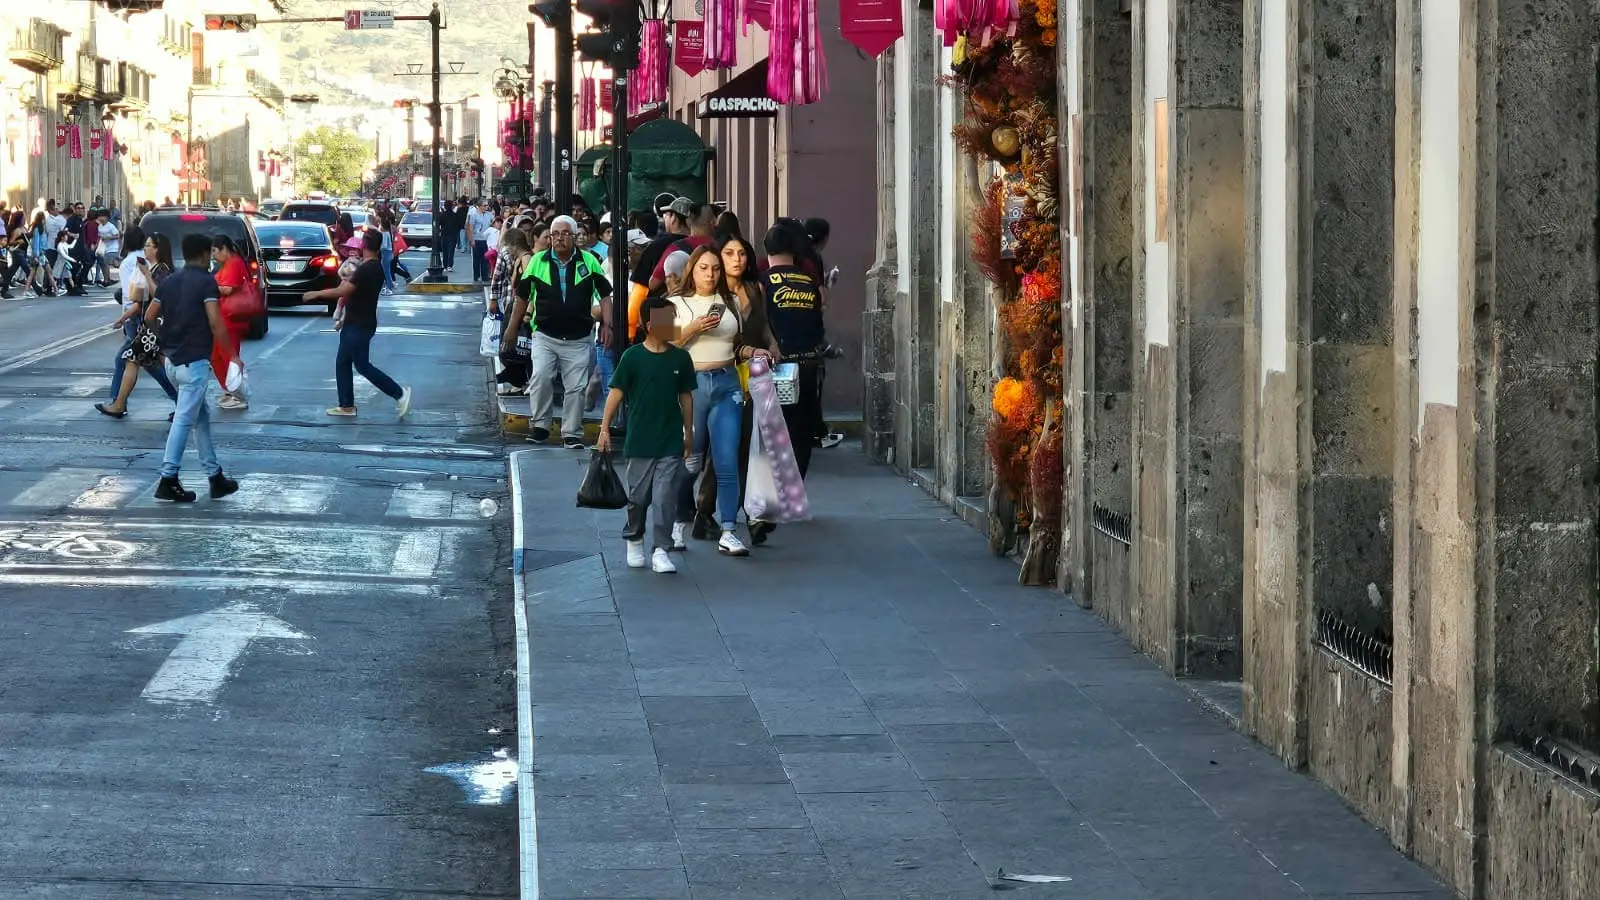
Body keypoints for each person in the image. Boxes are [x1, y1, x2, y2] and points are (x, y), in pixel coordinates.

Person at [689, 237, 782, 543]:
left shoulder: (755, 289)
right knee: (705, 452)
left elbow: (762, 325)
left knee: (749, 444)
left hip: (751, 371)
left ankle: (751, 512)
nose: (736, 259)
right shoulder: (696, 298)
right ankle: (697, 511)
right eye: (728, 254)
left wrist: (771, 344)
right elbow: (666, 339)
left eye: (741, 253)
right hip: (711, 377)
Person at [597, 294, 696, 574]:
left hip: (670, 440)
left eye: (674, 319)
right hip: (640, 440)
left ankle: (661, 549)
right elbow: (616, 394)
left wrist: (688, 433)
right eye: (667, 320)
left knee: (665, 498)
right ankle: (635, 537)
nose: (673, 324)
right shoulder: (632, 357)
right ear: (648, 325)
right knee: (638, 498)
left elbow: (686, 397)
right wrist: (604, 429)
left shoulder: (681, 358)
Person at [667, 246, 751, 557]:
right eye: (703, 268)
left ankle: (728, 529)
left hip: (727, 382)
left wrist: (751, 351)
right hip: (691, 385)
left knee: (726, 460)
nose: (711, 274)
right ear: (692, 269)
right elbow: (658, 345)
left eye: (716, 268)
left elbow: (737, 343)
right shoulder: (671, 302)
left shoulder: (731, 301)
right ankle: (675, 522)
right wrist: (691, 329)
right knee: (690, 460)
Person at [147, 233, 240, 503]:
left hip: (172, 362)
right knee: (184, 420)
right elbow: (216, 323)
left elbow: (150, 316)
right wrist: (233, 356)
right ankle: (168, 478)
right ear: (203, 254)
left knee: (200, 418)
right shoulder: (206, 282)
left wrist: (164, 340)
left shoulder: (170, 281)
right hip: (194, 361)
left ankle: (215, 476)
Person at [515, 215, 608, 448]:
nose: (559, 238)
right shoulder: (538, 261)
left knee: (576, 388)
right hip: (545, 335)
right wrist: (511, 328)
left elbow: (605, 295)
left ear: (574, 236)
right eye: (554, 234)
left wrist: (608, 325)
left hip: (578, 337)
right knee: (541, 377)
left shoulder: (589, 261)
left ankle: (571, 433)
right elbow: (522, 296)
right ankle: (540, 427)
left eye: (565, 233)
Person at [303, 228, 413, 418]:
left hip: (358, 324)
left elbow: (344, 290)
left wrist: (316, 294)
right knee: (343, 362)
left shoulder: (366, 269)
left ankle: (399, 393)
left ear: (364, 245)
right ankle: (346, 406)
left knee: (362, 366)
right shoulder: (375, 266)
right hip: (359, 322)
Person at [761, 223, 827, 478]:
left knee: (773, 430)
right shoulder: (809, 281)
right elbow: (818, 322)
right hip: (807, 363)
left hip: (777, 365)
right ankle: (795, 482)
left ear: (767, 250)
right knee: (801, 431)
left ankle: (776, 483)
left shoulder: (763, 281)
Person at [98, 231, 179, 418]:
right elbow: (141, 303)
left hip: (156, 326)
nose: (145, 249)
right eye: (145, 245)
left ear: (158, 249)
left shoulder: (162, 270)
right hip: (149, 324)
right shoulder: (152, 269)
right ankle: (183, 403)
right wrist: (123, 318)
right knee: (155, 364)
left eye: (149, 245)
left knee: (133, 359)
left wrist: (147, 275)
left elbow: (159, 296)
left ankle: (119, 404)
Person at [209, 235, 252, 410]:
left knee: (228, 357)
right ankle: (229, 390)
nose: (213, 255)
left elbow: (228, 289)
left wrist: (209, 286)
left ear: (224, 249)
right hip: (222, 317)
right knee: (216, 356)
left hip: (229, 319)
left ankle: (238, 394)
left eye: (214, 251)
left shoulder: (234, 264)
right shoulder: (227, 265)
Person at [467, 198, 495, 282]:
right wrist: (472, 240)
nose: (487, 207)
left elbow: (494, 223)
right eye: (485, 205)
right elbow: (470, 228)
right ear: (479, 206)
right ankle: (476, 276)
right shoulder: (474, 215)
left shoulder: (489, 214)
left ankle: (484, 276)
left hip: (486, 240)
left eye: (487, 205)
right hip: (477, 239)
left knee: (485, 258)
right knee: (476, 259)